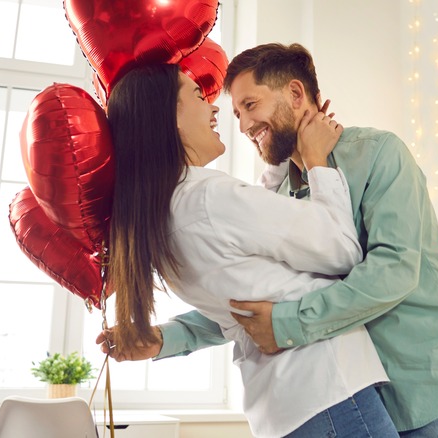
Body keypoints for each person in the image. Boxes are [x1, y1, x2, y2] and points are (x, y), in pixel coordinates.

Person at [97, 62, 399, 438]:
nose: (216, 109)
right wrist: (318, 162)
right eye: (197, 95)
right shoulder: (208, 197)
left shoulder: (161, 217)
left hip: (283, 407)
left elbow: (251, 268)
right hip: (328, 390)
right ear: (169, 117)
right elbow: (341, 250)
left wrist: (278, 163)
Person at [218, 43, 438, 437]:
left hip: (436, 390)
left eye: (251, 105)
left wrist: (286, 322)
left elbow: (394, 271)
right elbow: (255, 287)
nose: (244, 125)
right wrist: (164, 339)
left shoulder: (379, 154)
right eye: (237, 113)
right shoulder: (282, 196)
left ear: (296, 95)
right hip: (362, 406)